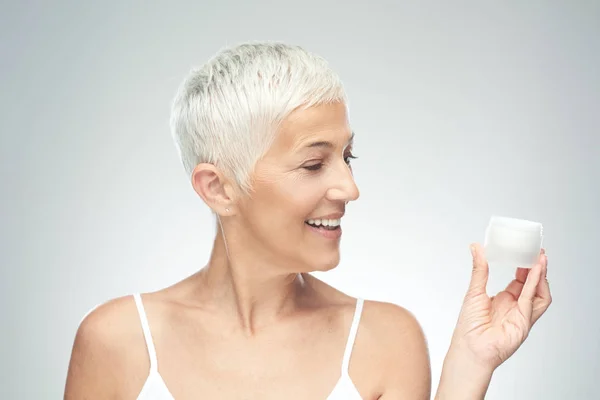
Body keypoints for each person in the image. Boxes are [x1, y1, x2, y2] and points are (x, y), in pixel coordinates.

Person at [64, 42, 552, 399]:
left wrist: (470, 364)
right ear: (218, 188)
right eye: (314, 164)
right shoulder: (118, 340)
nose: (349, 188)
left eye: (348, 156)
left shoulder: (384, 340)